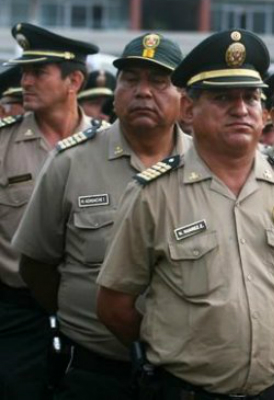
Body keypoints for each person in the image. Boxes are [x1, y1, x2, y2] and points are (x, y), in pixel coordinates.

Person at [96, 29, 274, 400]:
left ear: (264, 112)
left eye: (250, 97)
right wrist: (177, 347)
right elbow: (114, 306)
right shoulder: (154, 194)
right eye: (223, 97)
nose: (240, 109)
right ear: (189, 109)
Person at [12, 32, 189, 400]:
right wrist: (82, 315)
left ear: (184, 99)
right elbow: (36, 265)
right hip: (94, 368)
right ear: (116, 91)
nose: (143, 92)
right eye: (131, 80)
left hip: (186, 374)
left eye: (159, 81)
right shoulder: (71, 162)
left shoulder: (206, 164)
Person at [0, 22, 101, 399]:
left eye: (38, 72)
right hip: (16, 315)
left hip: (92, 316)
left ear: (74, 80)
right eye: (24, 72)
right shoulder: (3, 143)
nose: (25, 81)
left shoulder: (108, 145)